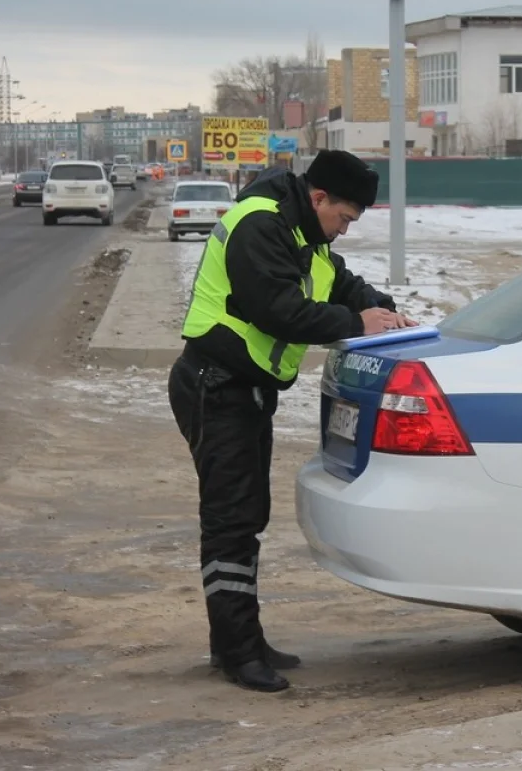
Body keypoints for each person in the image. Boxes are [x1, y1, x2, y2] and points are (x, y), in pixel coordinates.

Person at [168, 149, 416, 693]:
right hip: (215, 386)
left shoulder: (307, 234)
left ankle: (243, 639)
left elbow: (341, 285)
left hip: (245, 390)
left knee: (248, 515)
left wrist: (383, 310)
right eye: (344, 219)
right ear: (319, 197)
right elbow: (277, 309)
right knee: (230, 521)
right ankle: (236, 653)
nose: (344, 232)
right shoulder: (260, 225)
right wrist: (356, 321)